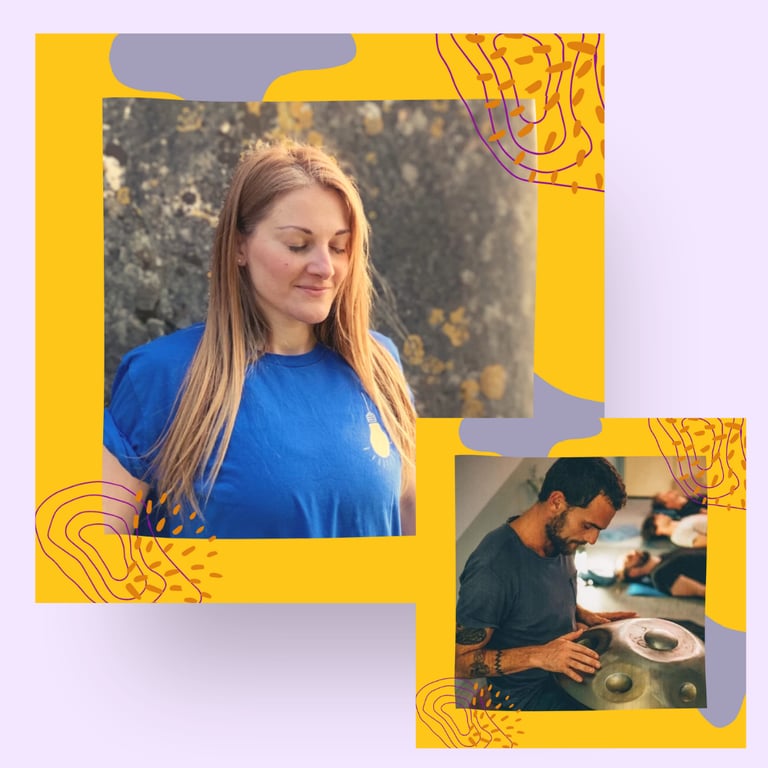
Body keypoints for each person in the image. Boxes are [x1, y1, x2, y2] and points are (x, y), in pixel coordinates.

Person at [103, 140, 416, 539]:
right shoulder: (161, 375)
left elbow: (412, 520)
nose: (325, 267)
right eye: (297, 245)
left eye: (339, 247)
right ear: (238, 247)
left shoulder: (378, 364)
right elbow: (91, 562)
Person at [455, 457, 636, 711]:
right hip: (525, 698)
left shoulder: (561, 539)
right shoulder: (492, 569)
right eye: (587, 526)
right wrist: (540, 655)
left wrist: (583, 614)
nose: (592, 540)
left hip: (563, 670)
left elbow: (538, 593)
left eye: (599, 531)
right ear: (556, 502)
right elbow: (457, 661)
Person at [617, 548, 706, 598]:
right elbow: (702, 591)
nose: (633, 552)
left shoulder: (664, 555)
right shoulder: (660, 576)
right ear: (633, 573)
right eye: (629, 558)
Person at [641, 511, 707, 548]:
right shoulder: (678, 536)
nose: (661, 514)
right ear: (657, 531)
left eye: (658, 515)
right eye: (657, 518)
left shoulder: (682, 520)